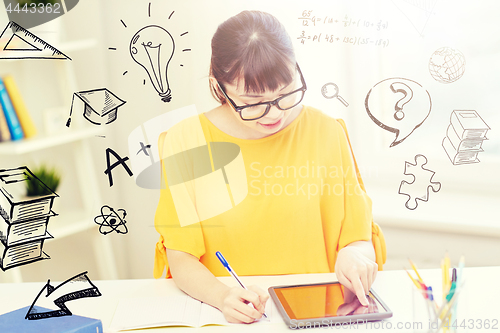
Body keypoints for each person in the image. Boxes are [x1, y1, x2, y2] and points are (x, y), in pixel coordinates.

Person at [154, 10, 386, 324]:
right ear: (219, 87)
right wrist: (222, 296)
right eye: (252, 102)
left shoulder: (326, 131)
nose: (273, 113)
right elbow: (180, 257)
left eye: (284, 93)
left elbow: (357, 237)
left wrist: (355, 256)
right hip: (227, 317)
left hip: (315, 314)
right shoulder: (187, 141)